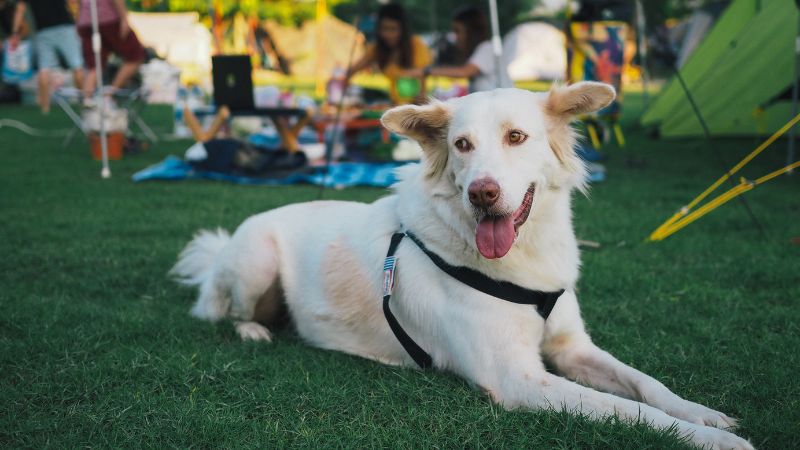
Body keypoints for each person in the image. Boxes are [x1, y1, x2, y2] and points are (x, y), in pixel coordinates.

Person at [409, 6, 511, 93]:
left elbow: (463, 71)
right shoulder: (478, 51)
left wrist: (426, 71)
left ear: (472, 32)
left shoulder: (487, 48)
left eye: (458, 31)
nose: (455, 36)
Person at [345, 3, 431, 104]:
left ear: (402, 29)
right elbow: (352, 70)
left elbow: (420, 83)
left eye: (393, 29)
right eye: (384, 28)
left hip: (415, 107)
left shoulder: (416, 45)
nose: (388, 34)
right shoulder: (377, 49)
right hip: (394, 105)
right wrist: (342, 81)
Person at [10, 0, 84, 113]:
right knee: (77, 66)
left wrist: (15, 33)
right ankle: (84, 103)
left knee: (44, 69)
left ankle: (44, 108)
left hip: (43, 30)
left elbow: (20, 8)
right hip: (64, 26)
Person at [76, 0, 145, 101]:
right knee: (135, 56)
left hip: (86, 22)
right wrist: (124, 18)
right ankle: (108, 96)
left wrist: (79, 19)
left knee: (94, 66)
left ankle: (88, 102)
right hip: (108, 19)